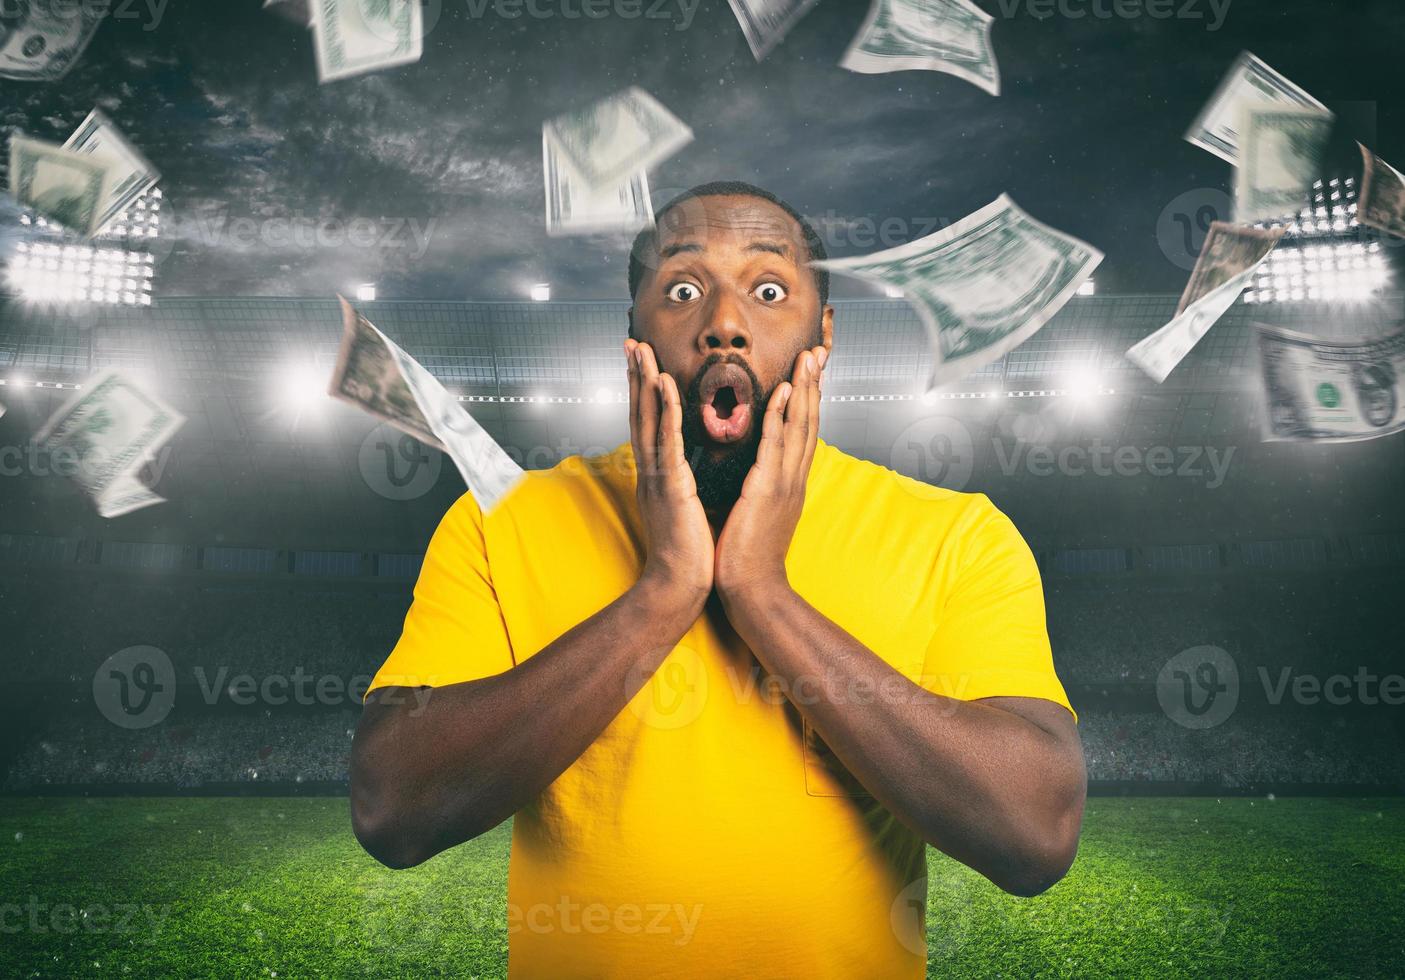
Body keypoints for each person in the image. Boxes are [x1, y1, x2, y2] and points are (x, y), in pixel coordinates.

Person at [350, 181, 1086, 978]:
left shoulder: (954, 535)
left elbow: (1034, 835)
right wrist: (661, 593)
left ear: (823, 334)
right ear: (633, 331)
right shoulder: (503, 523)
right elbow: (393, 810)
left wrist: (762, 595)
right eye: (682, 290)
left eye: (769, 291)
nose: (724, 325)